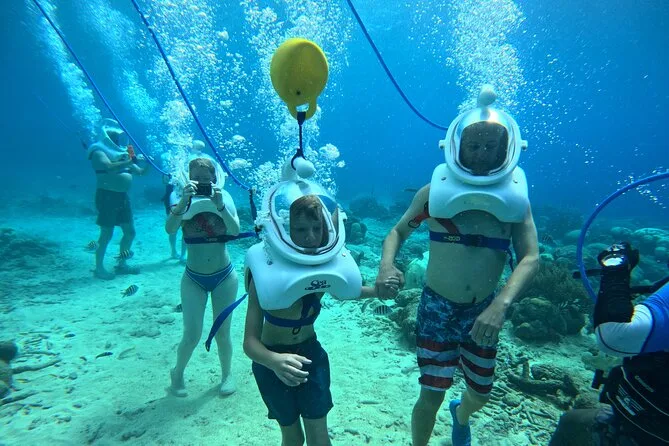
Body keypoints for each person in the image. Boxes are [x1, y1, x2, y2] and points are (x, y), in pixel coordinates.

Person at [374, 85, 540, 446]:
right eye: (473, 146)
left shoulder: (516, 200)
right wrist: (386, 266)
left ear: (507, 149)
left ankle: (460, 415)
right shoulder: (433, 193)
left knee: (480, 394)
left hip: (485, 310)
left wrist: (500, 305)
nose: (481, 155)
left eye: (490, 147)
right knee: (430, 395)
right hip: (437, 308)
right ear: (456, 147)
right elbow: (397, 232)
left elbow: (531, 257)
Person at [242, 163, 396, 446]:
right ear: (284, 229)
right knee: (292, 437)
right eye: (300, 229)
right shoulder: (265, 273)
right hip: (271, 361)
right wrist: (274, 361)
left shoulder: (324, 265)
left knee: (319, 436)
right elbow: (250, 343)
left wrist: (378, 291)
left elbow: (346, 292)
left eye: (317, 228)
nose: (311, 237)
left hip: (311, 355)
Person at [549, 242, 669, 445]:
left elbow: (615, 336)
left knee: (572, 426)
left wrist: (616, 267)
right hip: (638, 421)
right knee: (572, 423)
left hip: (647, 432)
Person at [165, 154, 241, 397]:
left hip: (224, 277)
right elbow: (170, 229)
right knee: (192, 334)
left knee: (223, 333)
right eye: (195, 178)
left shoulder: (223, 198)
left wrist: (220, 206)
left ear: (214, 179)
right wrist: (182, 203)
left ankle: (227, 374)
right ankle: (177, 373)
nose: (200, 182)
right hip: (193, 278)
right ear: (187, 178)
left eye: (205, 179)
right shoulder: (181, 198)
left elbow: (235, 230)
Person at [88, 119, 149, 280]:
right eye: (114, 136)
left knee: (130, 232)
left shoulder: (123, 154)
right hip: (107, 195)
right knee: (106, 233)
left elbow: (140, 172)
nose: (117, 139)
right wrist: (130, 160)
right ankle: (99, 268)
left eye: (118, 136)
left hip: (123, 197)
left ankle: (122, 265)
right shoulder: (98, 151)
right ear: (106, 135)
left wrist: (148, 163)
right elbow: (108, 167)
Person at [163, 140, 205, 261]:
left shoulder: (199, 161)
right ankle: (173, 251)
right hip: (175, 196)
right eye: (197, 148)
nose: (199, 152)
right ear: (191, 147)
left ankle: (183, 254)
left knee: (186, 226)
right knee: (174, 227)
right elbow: (165, 180)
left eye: (201, 149)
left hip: (191, 197)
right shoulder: (175, 159)